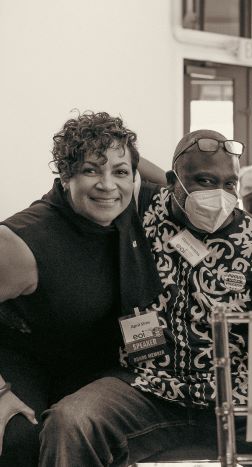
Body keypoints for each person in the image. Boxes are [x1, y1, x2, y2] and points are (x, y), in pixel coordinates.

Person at [39, 130, 252, 465]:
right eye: (204, 180)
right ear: (172, 181)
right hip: (146, 390)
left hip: (235, 403)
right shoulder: (136, 214)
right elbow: (115, 157)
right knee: (72, 421)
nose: (218, 194)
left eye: (229, 183)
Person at [0, 112, 161, 467]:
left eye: (120, 172)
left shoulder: (127, 213)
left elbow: (169, 181)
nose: (107, 185)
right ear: (65, 174)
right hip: (24, 364)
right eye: (91, 170)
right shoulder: (25, 239)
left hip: (91, 367)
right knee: (20, 436)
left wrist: (140, 165)